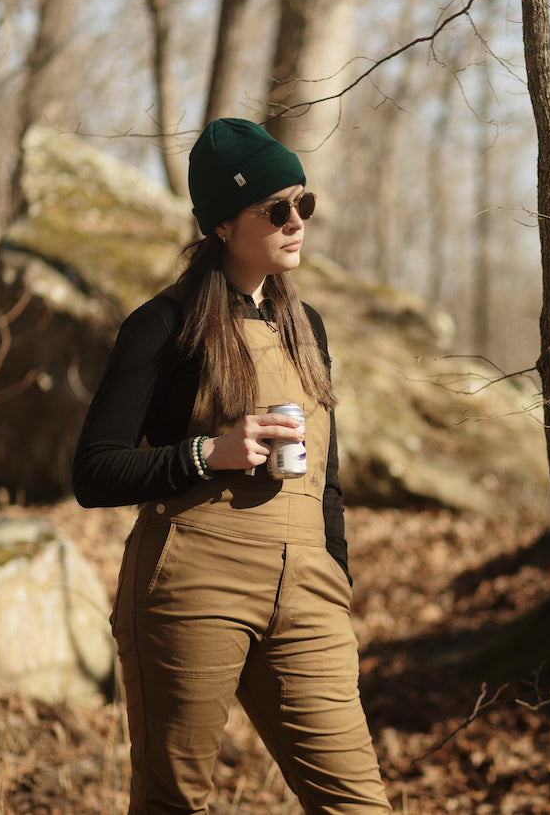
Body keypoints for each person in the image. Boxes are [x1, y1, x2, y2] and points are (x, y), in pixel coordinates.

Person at [72, 117, 391, 814]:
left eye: (303, 204)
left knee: (358, 804)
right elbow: (94, 470)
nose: (296, 221)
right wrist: (205, 452)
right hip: (193, 583)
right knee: (174, 802)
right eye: (276, 209)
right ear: (221, 224)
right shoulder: (163, 325)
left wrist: (334, 573)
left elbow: (326, 478)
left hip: (307, 590)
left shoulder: (309, 328)